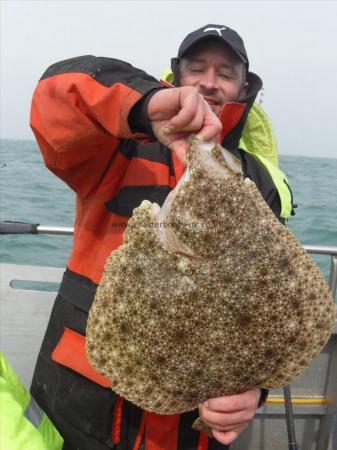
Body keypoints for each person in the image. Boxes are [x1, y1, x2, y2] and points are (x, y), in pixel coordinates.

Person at [29, 24, 292, 450]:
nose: (209, 81)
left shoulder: (259, 179)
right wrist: (144, 104)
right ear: (176, 76)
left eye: (225, 72)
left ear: (245, 88)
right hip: (84, 409)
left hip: (193, 425)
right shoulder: (116, 146)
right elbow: (56, 98)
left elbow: (274, 304)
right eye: (197, 68)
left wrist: (251, 391)